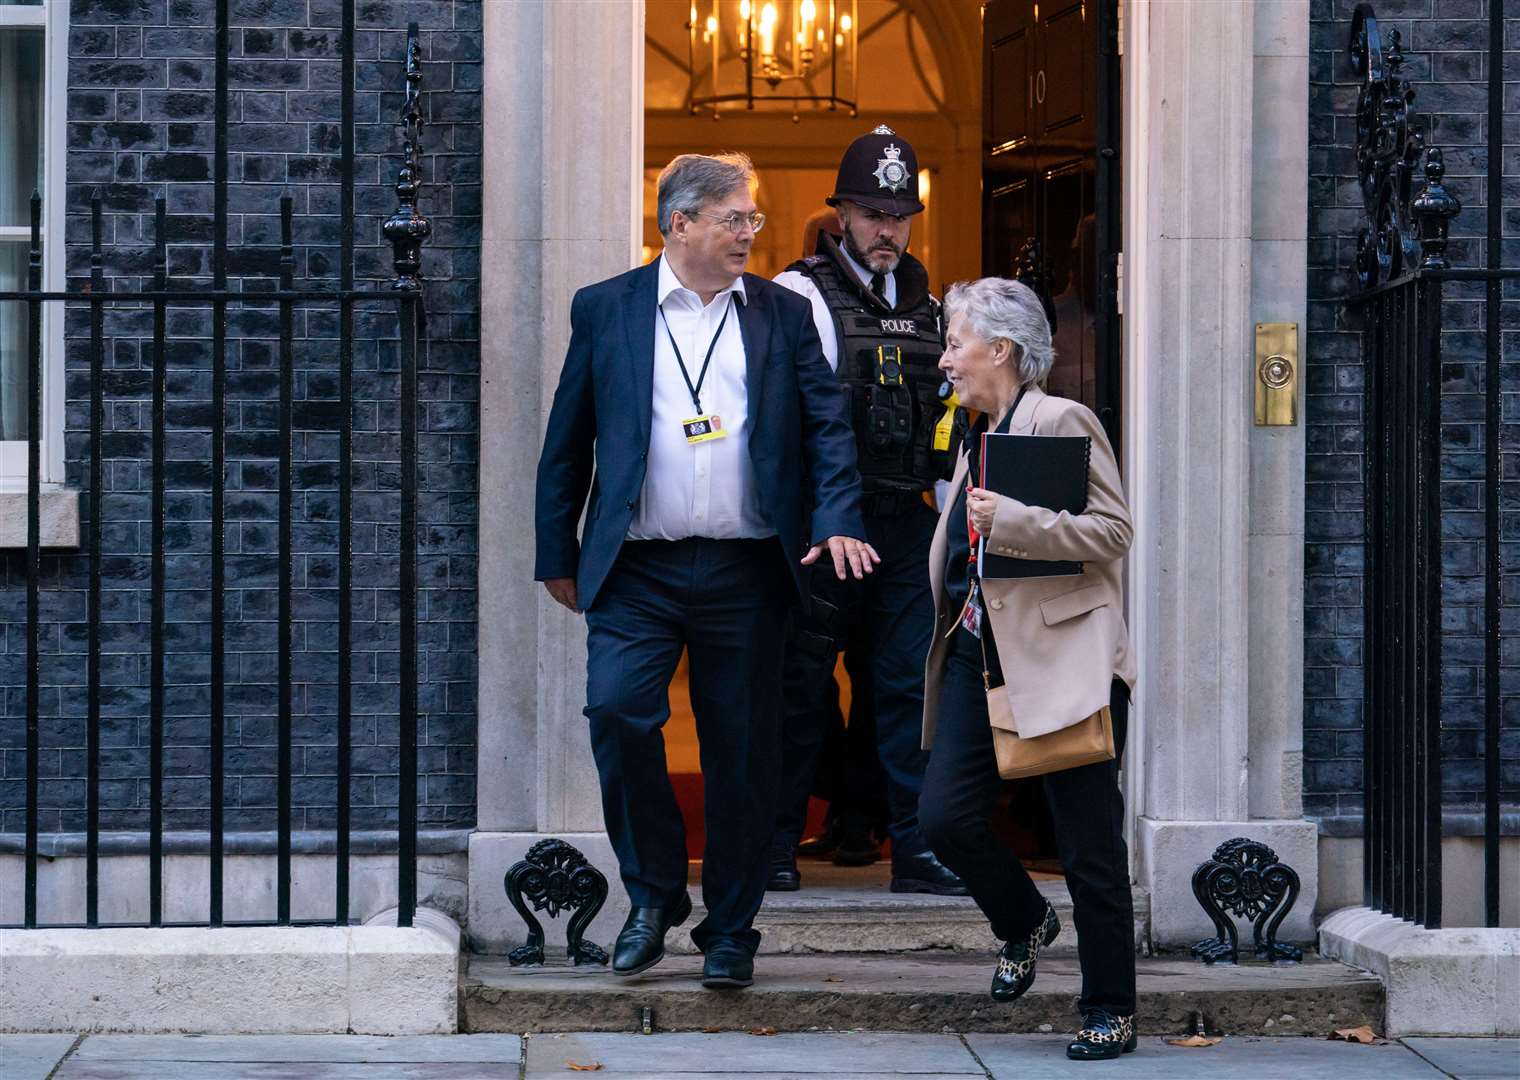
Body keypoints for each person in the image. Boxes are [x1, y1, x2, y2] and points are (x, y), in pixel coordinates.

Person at [534, 152, 877, 991]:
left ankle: (731, 927)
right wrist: (557, 549)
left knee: (743, 753)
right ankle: (653, 895)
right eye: (735, 219)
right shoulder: (606, 308)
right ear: (678, 223)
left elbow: (827, 426)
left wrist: (836, 516)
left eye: (754, 221)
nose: (749, 235)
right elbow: (569, 434)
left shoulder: (781, 312)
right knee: (616, 712)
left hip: (748, 568)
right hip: (638, 568)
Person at [918, 277, 1138, 1061]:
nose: (945, 359)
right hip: (983, 657)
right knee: (943, 818)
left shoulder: (1059, 419)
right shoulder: (974, 432)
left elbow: (1113, 531)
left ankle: (1109, 1006)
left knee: (1088, 848)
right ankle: (1023, 920)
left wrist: (1010, 521)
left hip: (1063, 663)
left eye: (956, 343)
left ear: (1000, 350)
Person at [768, 126, 966, 896]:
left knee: (911, 687)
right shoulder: (795, 295)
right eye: (872, 213)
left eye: (898, 213)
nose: (887, 229)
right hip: (824, 527)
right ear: (841, 213)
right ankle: (777, 843)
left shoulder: (937, 309)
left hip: (905, 523)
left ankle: (916, 850)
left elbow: (949, 425)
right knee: (801, 688)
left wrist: (954, 529)